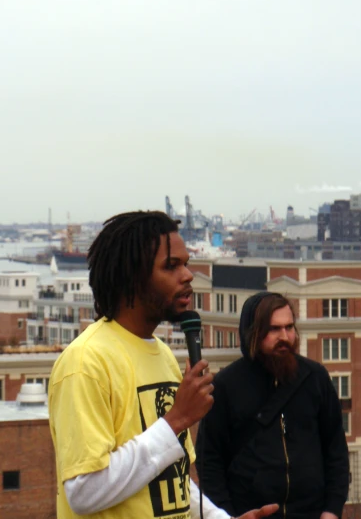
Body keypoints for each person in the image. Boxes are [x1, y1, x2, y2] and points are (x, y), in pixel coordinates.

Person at [48, 210, 278, 519]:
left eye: (186, 263)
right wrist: (177, 420)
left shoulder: (165, 355)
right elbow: (84, 491)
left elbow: (173, 476)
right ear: (132, 277)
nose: (187, 275)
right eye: (171, 266)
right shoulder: (86, 362)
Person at [196, 291, 349, 519]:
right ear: (253, 333)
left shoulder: (314, 378)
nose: (285, 337)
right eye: (274, 329)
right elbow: (210, 463)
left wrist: (332, 510)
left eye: (289, 327)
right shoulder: (226, 385)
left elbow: (336, 451)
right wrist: (226, 515)